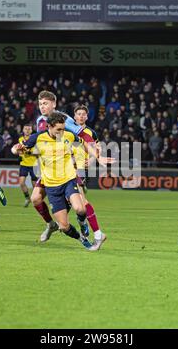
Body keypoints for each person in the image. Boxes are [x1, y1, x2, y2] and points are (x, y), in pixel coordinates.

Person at [28, 90, 113, 243]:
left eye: (45, 103)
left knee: (81, 201)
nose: (42, 107)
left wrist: (97, 156)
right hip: (51, 169)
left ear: (54, 104)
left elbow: (84, 136)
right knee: (35, 198)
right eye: (40, 104)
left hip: (70, 165)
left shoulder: (64, 119)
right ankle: (51, 224)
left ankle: (92, 229)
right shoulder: (40, 120)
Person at [18, 111, 93, 249]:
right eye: (59, 129)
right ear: (49, 127)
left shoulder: (68, 136)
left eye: (63, 129)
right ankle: (81, 238)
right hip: (51, 183)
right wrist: (18, 149)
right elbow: (22, 149)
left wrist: (93, 157)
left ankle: (82, 223)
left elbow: (83, 144)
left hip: (68, 179)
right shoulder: (38, 138)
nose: (61, 132)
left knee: (81, 209)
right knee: (64, 227)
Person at [72, 104, 106, 251]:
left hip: (81, 169)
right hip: (67, 169)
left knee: (81, 201)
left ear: (86, 116)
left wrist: (91, 161)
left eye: (83, 114)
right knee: (75, 202)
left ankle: (95, 232)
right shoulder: (68, 130)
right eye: (78, 114)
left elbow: (98, 149)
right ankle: (84, 227)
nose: (80, 116)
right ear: (74, 116)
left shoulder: (90, 133)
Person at [18, 124, 38, 207]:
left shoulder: (35, 139)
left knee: (34, 185)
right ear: (23, 130)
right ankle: (27, 198)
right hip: (24, 164)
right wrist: (18, 151)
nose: (27, 130)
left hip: (34, 164)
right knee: (21, 182)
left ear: (31, 130)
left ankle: (35, 199)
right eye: (25, 129)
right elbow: (20, 151)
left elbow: (38, 152)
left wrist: (29, 152)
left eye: (29, 129)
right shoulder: (20, 139)